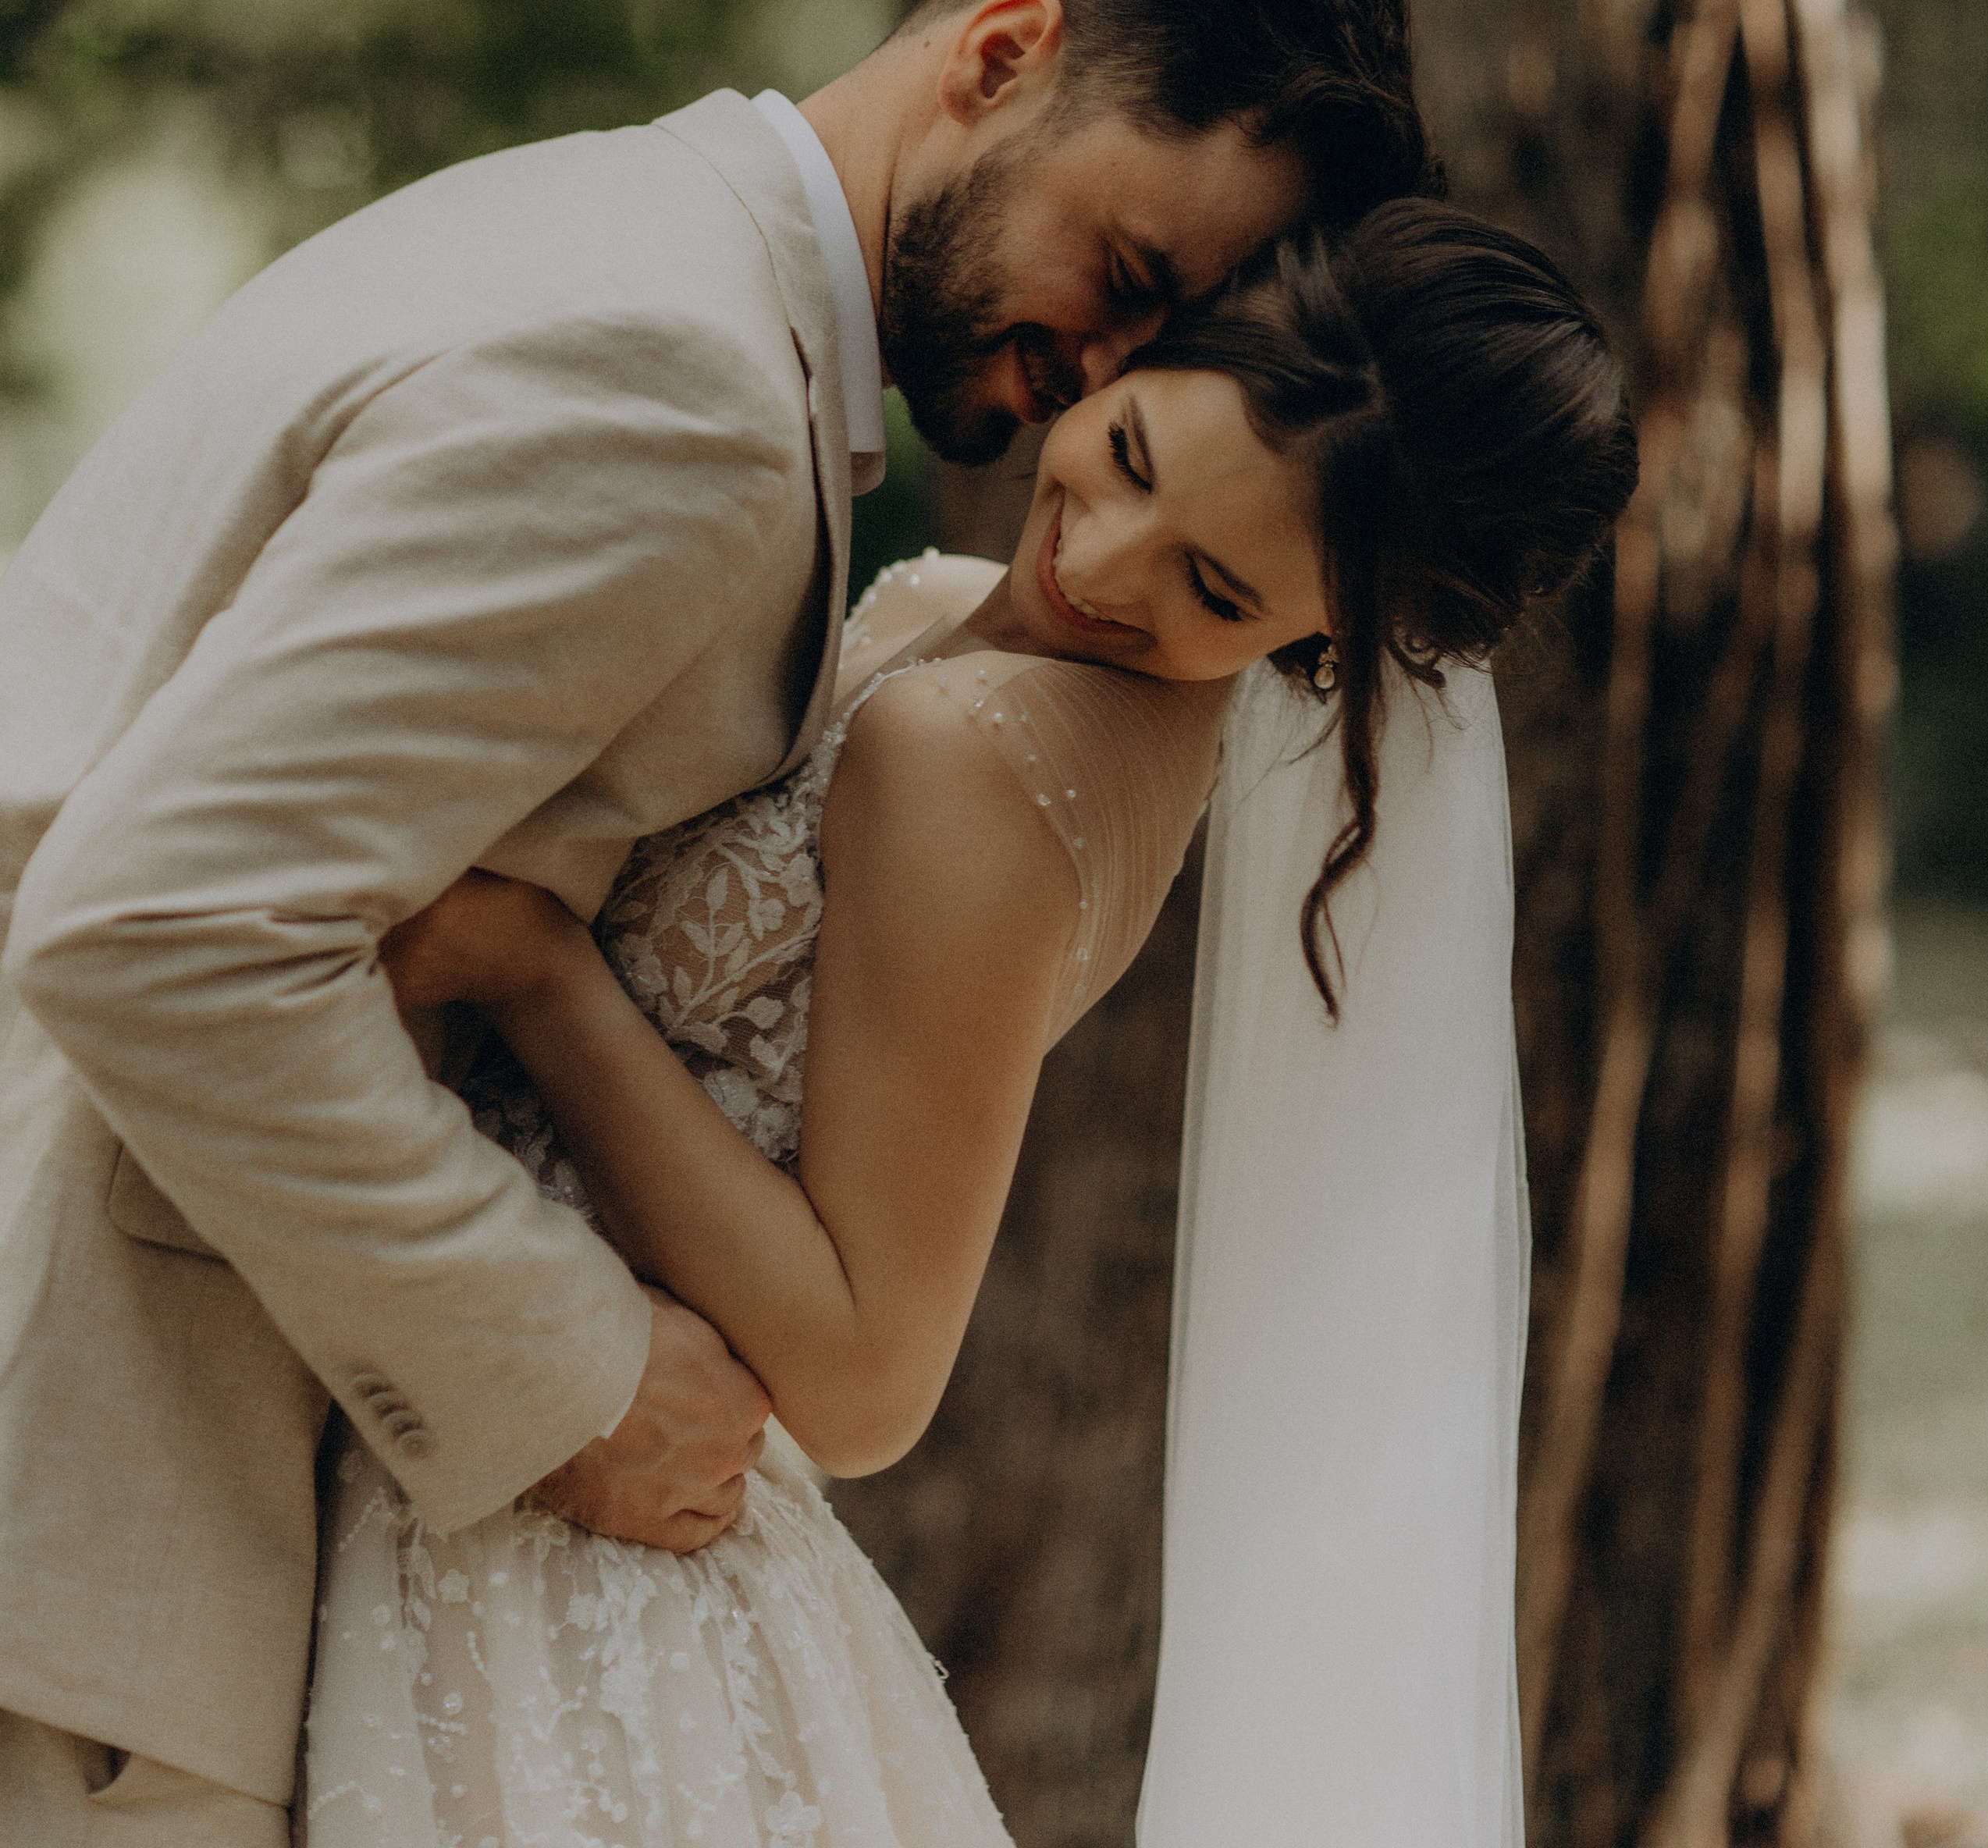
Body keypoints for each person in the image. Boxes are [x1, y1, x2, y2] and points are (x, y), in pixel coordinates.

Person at [0, 0, 1432, 1844]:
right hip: (90, 1493)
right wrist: (569, 1377)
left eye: (1159, 344)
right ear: (1003, 52)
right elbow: (156, 928)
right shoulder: (674, 380)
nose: (1093, 388)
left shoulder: (615, 233)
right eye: (1122, 281)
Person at [302, 204, 1637, 1847]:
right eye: (1129, 454)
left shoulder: (978, 753)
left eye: (1211, 588)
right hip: (492, 1424)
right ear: (1136, 355)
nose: (1094, 563)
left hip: (575, 1545)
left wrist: (537, 974)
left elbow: (868, 1380)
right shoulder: (950, 617)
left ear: (1321, 644)